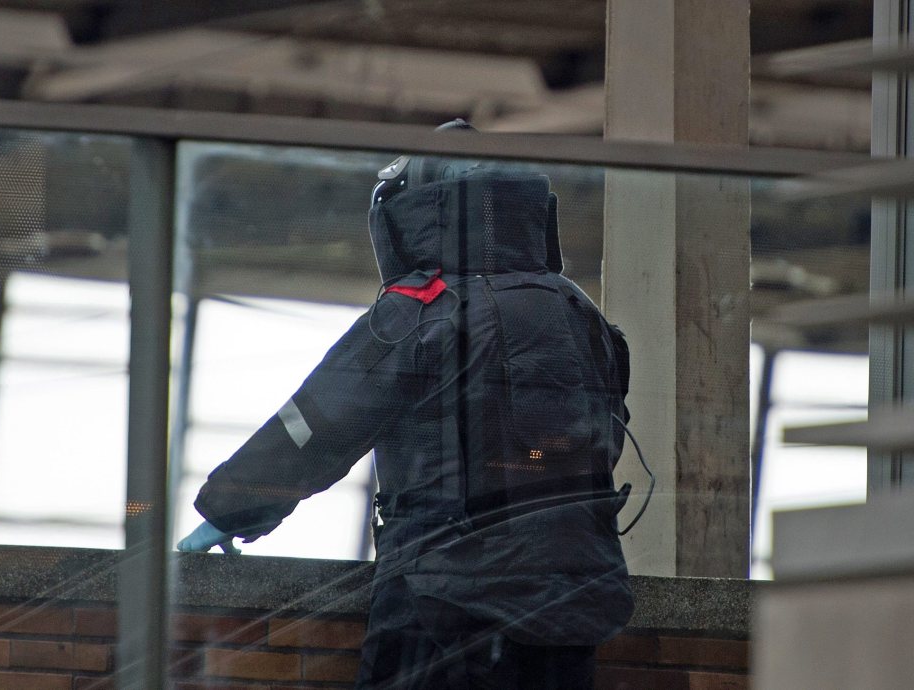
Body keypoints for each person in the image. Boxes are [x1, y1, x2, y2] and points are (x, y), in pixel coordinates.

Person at [179, 120, 635, 689]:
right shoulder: (576, 311)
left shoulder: (421, 309)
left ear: (420, 212)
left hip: (444, 594)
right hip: (573, 600)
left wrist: (228, 509)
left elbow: (319, 423)